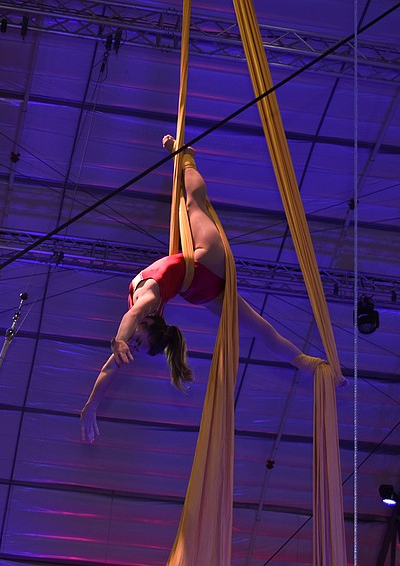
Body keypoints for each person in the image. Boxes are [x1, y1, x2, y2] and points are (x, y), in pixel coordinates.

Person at [80, 135, 333, 443]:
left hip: (198, 289)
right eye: (138, 344)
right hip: (203, 263)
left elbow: (109, 370)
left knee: (257, 326)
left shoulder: (143, 313)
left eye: (133, 347)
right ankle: (186, 157)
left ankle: (308, 364)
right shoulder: (145, 304)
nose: (131, 346)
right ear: (149, 326)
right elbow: (131, 317)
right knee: (193, 203)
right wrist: (119, 341)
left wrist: (91, 405)